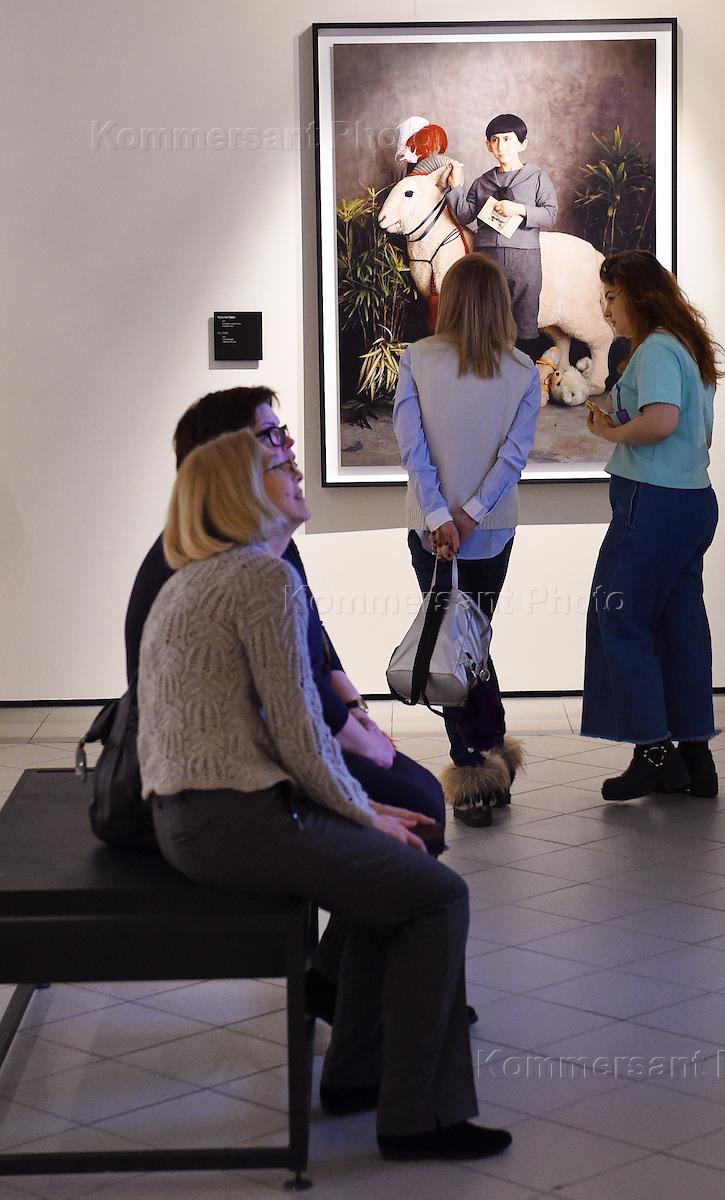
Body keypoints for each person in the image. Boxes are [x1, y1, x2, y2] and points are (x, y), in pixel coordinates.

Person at [137, 430, 511, 1162]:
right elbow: (303, 734)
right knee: (438, 895)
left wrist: (366, 813)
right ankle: (417, 1118)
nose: (297, 470)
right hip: (230, 817)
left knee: (405, 853)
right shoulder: (261, 581)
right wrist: (364, 810)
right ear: (241, 495)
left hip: (200, 813)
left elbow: (294, 729)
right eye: (279, 467)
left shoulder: (215, 573)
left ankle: (358, 1072)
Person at [123, 386, 445, 1019]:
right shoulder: (217, 565)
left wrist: (354, 707)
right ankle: (368, 987)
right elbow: (283, 705)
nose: (289, 446)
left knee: (412, 801)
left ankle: (359, 982)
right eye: (270, 438)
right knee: (417, 808)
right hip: (231, 770)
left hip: (246, 760)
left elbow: (311, 640)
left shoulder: (252, 547)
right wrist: (353, 754)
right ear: (228, 458)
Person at [392, 253, 540, 826]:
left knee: (454, 644)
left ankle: (474, 767)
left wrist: (440, 517)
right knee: (468, 645)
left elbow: (413, 449)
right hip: (491, 531)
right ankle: (487, 755)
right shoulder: (522, 370)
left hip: (431, 533)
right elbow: (513, 458)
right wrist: (472, 516)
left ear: (449, 300)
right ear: (502, 303)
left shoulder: (417, 360)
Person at [582, 250, 725, 801]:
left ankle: (654, 753)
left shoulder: (658, 348)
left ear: (639, 296)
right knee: (680, 626)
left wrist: (610, 433)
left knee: (618, 614)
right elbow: (700, 434)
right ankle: (695, 757)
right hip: (691, 503)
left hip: (653, 503)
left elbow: (661, 420)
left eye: (611, 297)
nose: (606, 308)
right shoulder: (688, 346)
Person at [442, 114, 557, 361]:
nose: (501, 146)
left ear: (522, 144)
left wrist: (519, 210)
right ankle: (487, 374)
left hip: (524, 259)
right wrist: (455, 188)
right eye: (495, 140)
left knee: (524, 318)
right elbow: (465, 215)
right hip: (486, 259)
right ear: (488, 146)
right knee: (485, 315)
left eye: (507, 139)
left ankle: (523, 372)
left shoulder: (537, 177)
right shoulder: (482, 182)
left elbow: (550, 215)